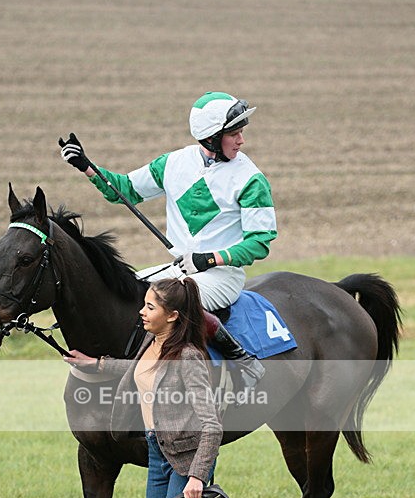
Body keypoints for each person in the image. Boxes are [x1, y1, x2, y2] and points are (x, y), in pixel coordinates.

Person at [63, 277, 240, 498]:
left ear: (172, 316)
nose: (141, 312)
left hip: (187, 461)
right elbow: (134, 371)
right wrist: (96, 364)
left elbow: (212, 425)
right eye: (143, 305)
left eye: (150, 307)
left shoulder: (188, 358)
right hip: (158, 454)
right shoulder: (151, 341)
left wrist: (197, 477)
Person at [59, 91, 276, 387]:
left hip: (221, 277)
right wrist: (87, 166)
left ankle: (240, 358)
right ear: (211, 137)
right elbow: (124, 190)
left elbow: (259, 242)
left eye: (241, 132)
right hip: (179, 269)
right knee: (126, 294)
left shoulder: (251, 179)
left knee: (168, 301)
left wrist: (209, 258)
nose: (242, 140)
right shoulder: (173, 163)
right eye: (235, 133)